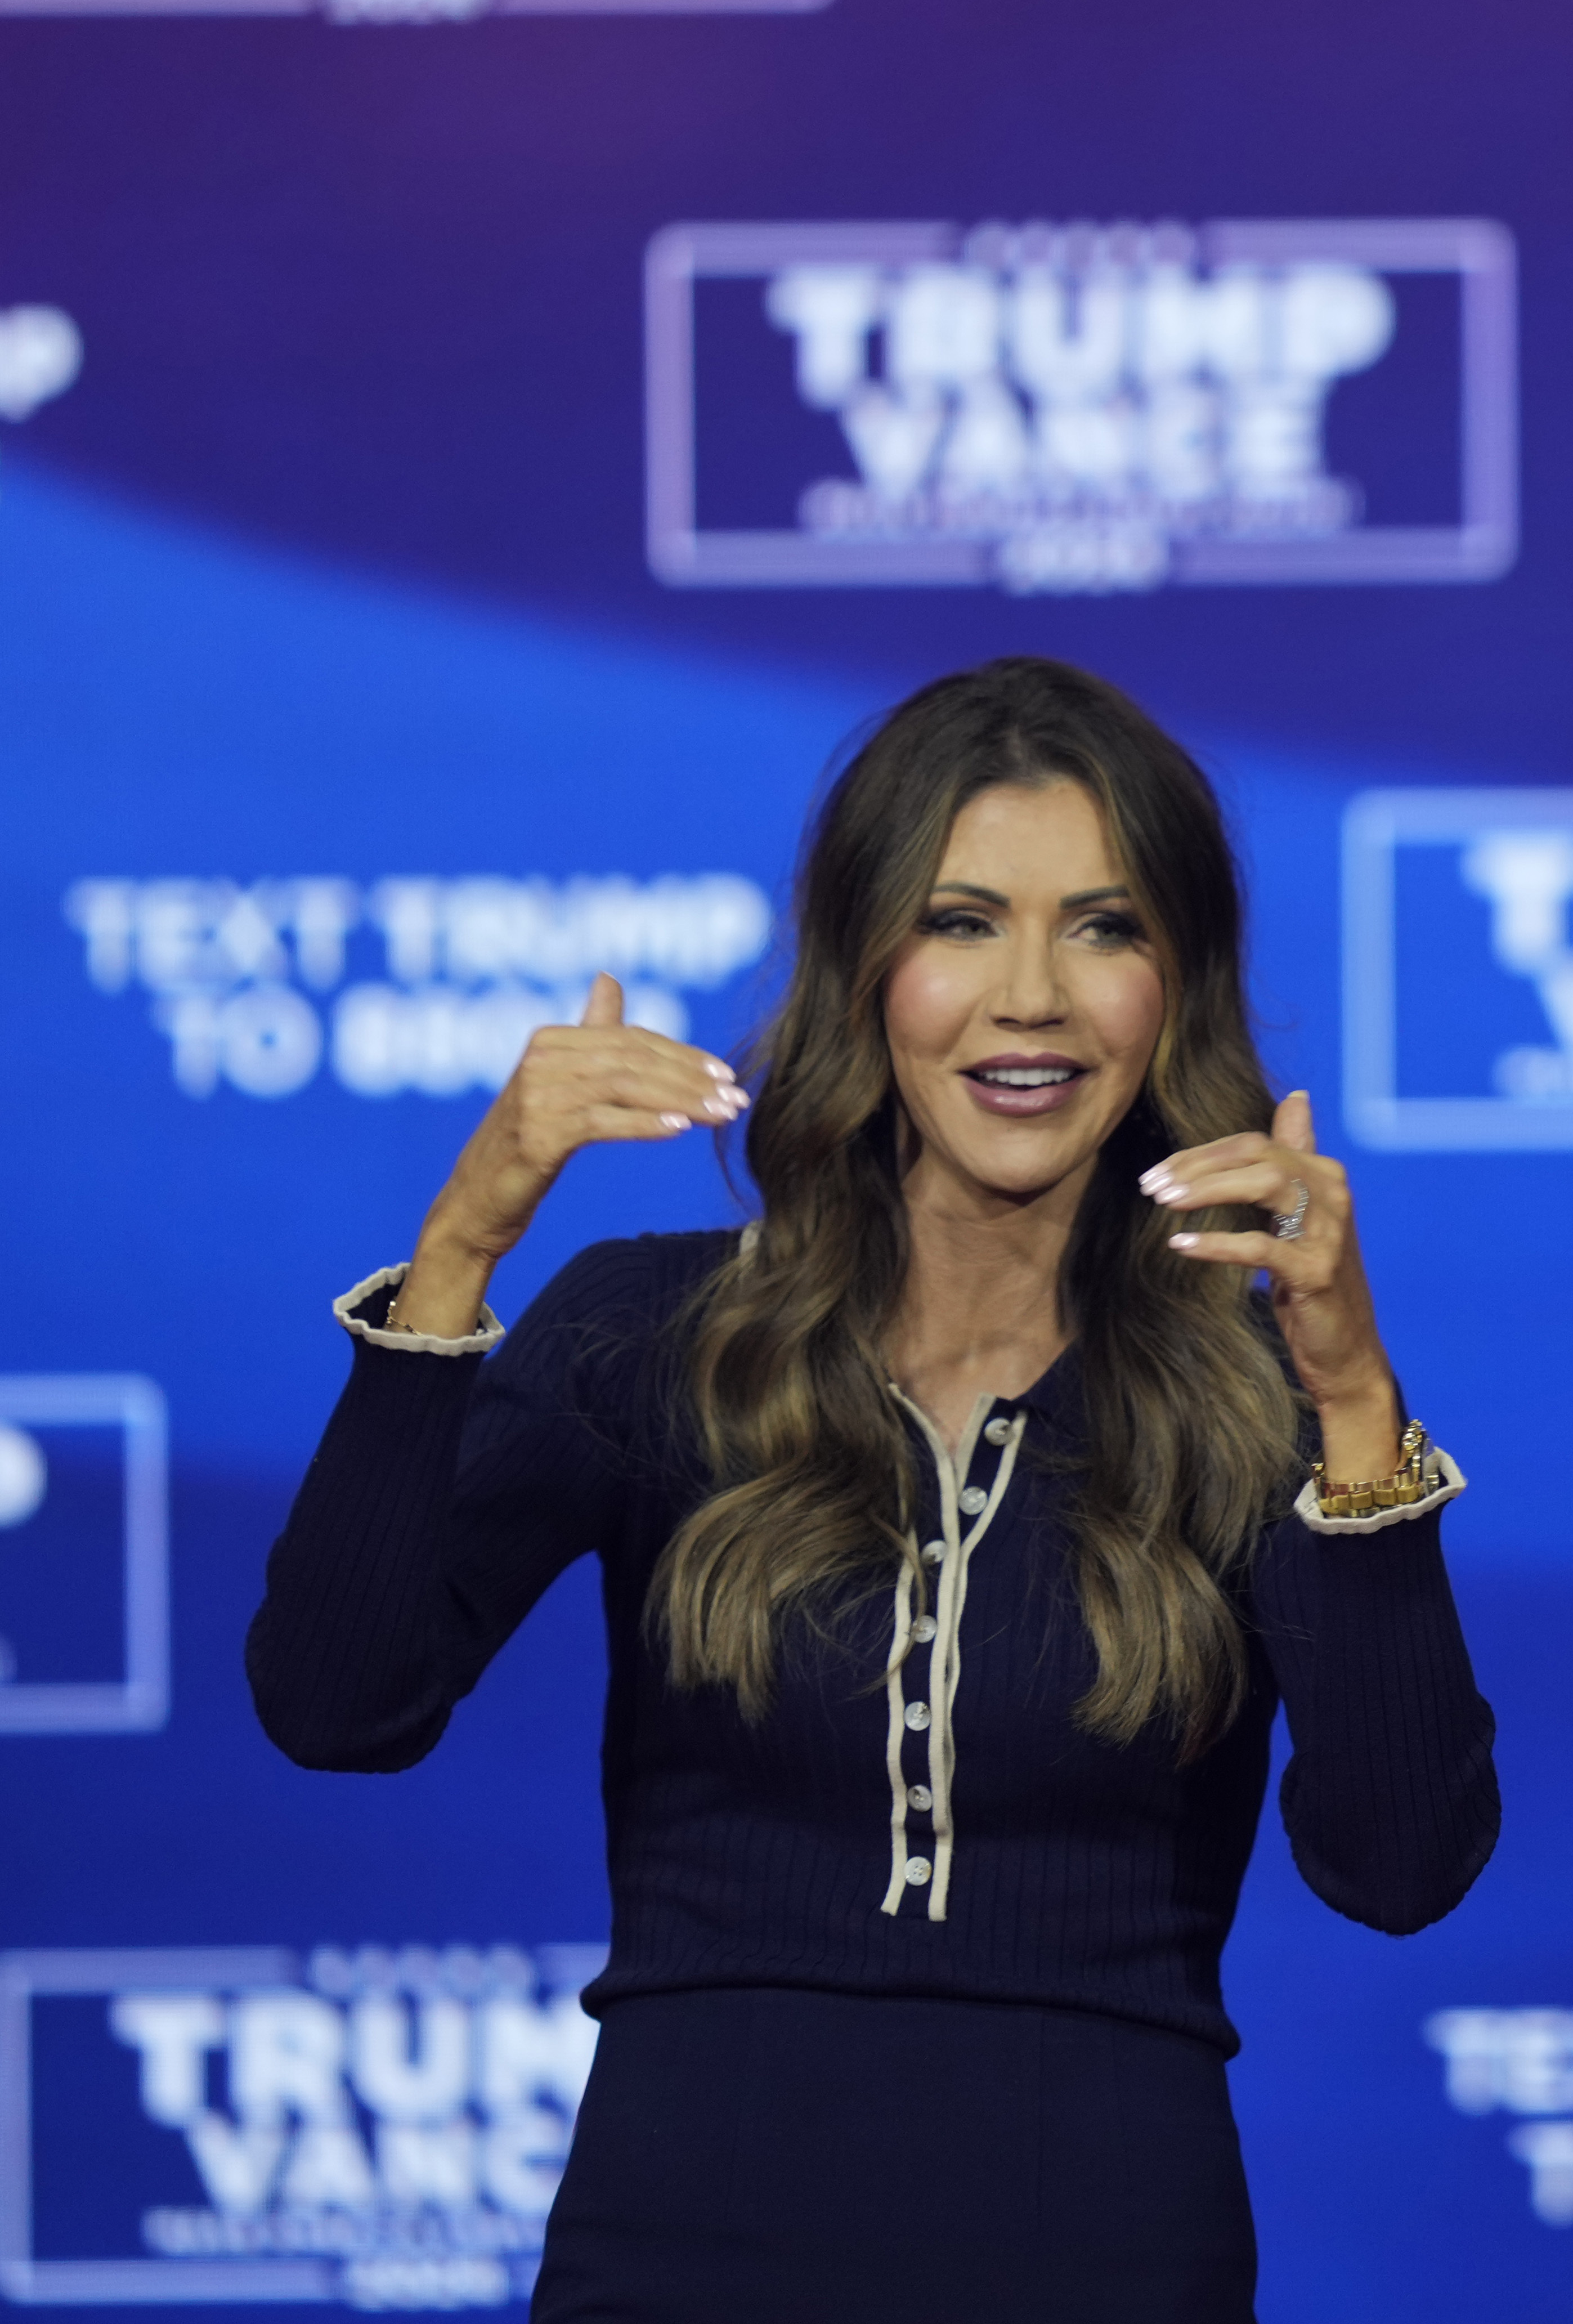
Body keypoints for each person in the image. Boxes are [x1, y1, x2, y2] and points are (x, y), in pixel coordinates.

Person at [250, 657, 1498, 2322]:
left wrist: (1349, 1397)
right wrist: (463, 1245)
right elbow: (339, 1700)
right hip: (678, 2259)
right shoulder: (653, 1334)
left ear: (1176, 985)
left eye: (1106, 928)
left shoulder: (1254, 1401)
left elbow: (1401, 1863)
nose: (1033, 998)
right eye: (964, 921)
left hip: (1113, 2262)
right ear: (864, 967)